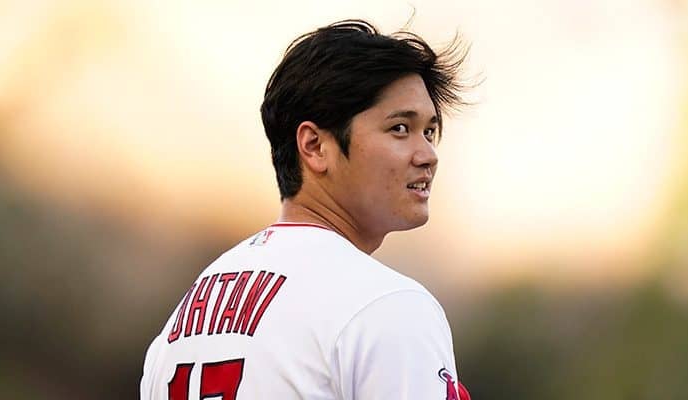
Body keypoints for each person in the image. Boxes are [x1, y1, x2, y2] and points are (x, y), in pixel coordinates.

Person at [140, 19, 471, 400]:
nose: (428, 155)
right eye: (399, 128)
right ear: (314, 146)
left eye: (429, 132)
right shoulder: (387, 304)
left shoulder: (183, 318)